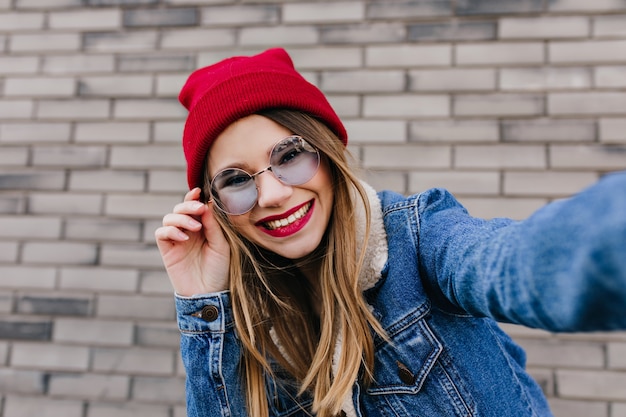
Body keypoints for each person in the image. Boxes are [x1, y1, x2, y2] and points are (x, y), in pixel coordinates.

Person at [155, 48, 626, 417]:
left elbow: (515, 262)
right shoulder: (255, 328)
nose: (274, 194)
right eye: (236, 180)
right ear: (211, 206)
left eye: (290, 155)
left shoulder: (418, 240)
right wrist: (204, 304)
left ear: (329, 152)